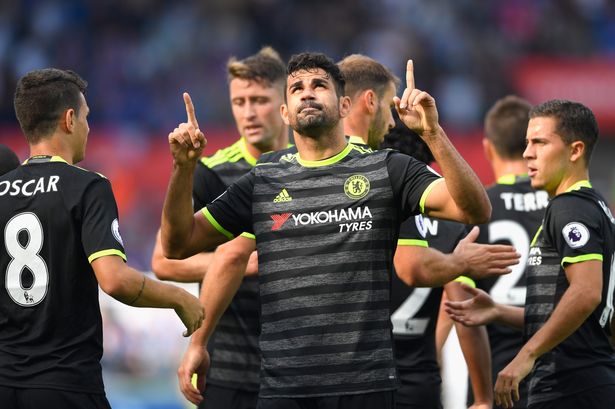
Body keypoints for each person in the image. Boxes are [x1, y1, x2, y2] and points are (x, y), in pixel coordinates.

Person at [164, 52, 497, 408]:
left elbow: (473, 209)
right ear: (285, 113)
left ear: (343, 105)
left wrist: (433, 133)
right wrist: (183, 170)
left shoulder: (387, 169)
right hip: (283, 387)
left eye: (319, 85)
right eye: (297, 88)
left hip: (364, 386)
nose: (307, 93)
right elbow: (178, 244)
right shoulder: (264, 179)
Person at [0, 68, 204, 409]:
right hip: (65, 384)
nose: (89, 127)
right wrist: (179, 297)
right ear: (69, 119)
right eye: (86, 117)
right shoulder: (87, 186)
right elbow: (113, 280)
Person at [446, 100, 615, 409]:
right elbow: (597, 315)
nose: (527, 153)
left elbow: (587, 292)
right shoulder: (594, 206)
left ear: (575, 150)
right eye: (526, 143)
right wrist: (498, 311)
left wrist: (526, 356)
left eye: (539, 142)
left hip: (570, 385)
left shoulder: (570, 208)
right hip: (584, 381)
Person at [151, 47, 288, 409]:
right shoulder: (212, 172)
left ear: (285, 101)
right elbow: (164, 261)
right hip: (228, 365)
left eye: (259, 100)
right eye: (239, 101)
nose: (248, 112)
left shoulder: (307, 167)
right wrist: (236, 262)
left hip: (300, 366)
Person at [380, 111, 494, 409]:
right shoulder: (452, 220)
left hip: (364, 373)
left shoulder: (367, 208)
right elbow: (463, 310)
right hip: (420, 378)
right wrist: (482, 397)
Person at [468, 95, 547, 409]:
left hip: (497, 364)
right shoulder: (566, 205)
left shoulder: (477, 210)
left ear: (488, 147)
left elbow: (458, 302)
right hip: (562, 360)